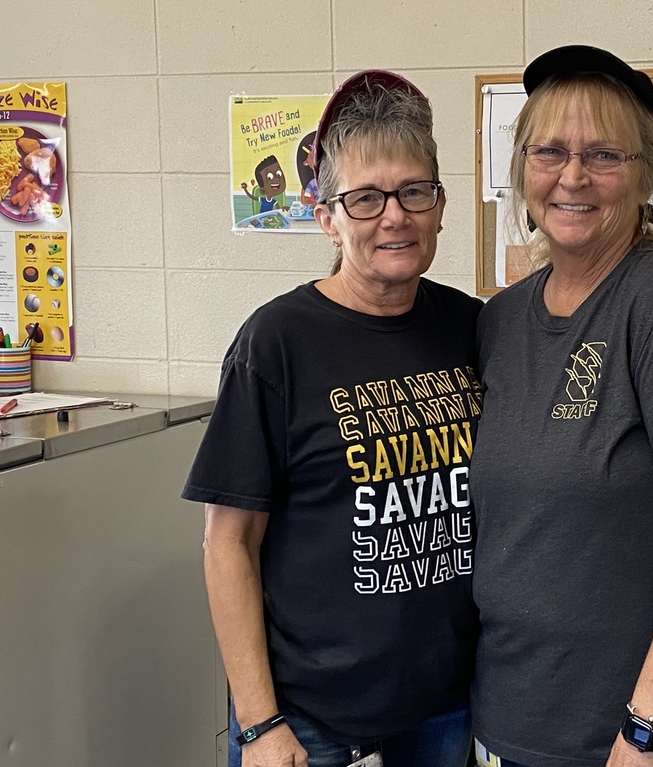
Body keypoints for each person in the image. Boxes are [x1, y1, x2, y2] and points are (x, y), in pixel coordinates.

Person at [469, 46, 653, 767]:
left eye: (603, 155)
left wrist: (646, 730)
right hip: (518, 718)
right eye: (550, 151)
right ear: (520, 167)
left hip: (639, 740)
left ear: (644, 176)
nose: (572, 176)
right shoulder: (501, 320)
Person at [182, 69, 482, 767]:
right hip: (308, 718)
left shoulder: (472, 328)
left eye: (414, 191)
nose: (394, 216)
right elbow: (227, 543)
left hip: (444, 706)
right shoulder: (277, 344)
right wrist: (258, 723)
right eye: (366, 198)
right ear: (327, 218)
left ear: (440, 206)